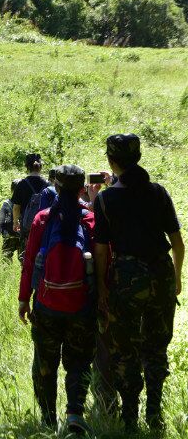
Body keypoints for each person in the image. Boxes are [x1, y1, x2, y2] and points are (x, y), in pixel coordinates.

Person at [93, 134, 184, 432]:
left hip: (126, 280)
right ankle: (155, 413)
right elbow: (177, 242)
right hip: (160, 274)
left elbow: (103, 249)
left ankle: (130, 416)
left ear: (111, 161)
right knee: (156, 347)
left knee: (125, 349)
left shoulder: (106, 199)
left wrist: (104, 288)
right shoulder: (158, 192)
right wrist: (177, 277)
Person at [19, 165, 97, 434]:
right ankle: (75, 413)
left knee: (44, 363)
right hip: (82, 306)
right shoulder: (89, 219)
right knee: (79, 362)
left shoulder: (43, 218)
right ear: (81, 189)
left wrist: (23, 300)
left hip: (46, 304)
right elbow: (102, 263)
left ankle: (49, 420)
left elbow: (29, 263)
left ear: (56, 187)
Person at [13, 154, 52, 253]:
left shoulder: (21, 184)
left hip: (26, 224)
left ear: (27, 167)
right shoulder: (48, 184)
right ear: (41, 167)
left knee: (25, 252)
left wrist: (15, 222)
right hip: (43, 224)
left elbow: (16, 207)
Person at [0, 181, 19, 260]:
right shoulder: (25, 203)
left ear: (11, 190)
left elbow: (0, 219)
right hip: (21, 234)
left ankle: (6, 271)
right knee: (23, 257)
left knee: (6, 256)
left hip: (8, 234)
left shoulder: (7, 203)